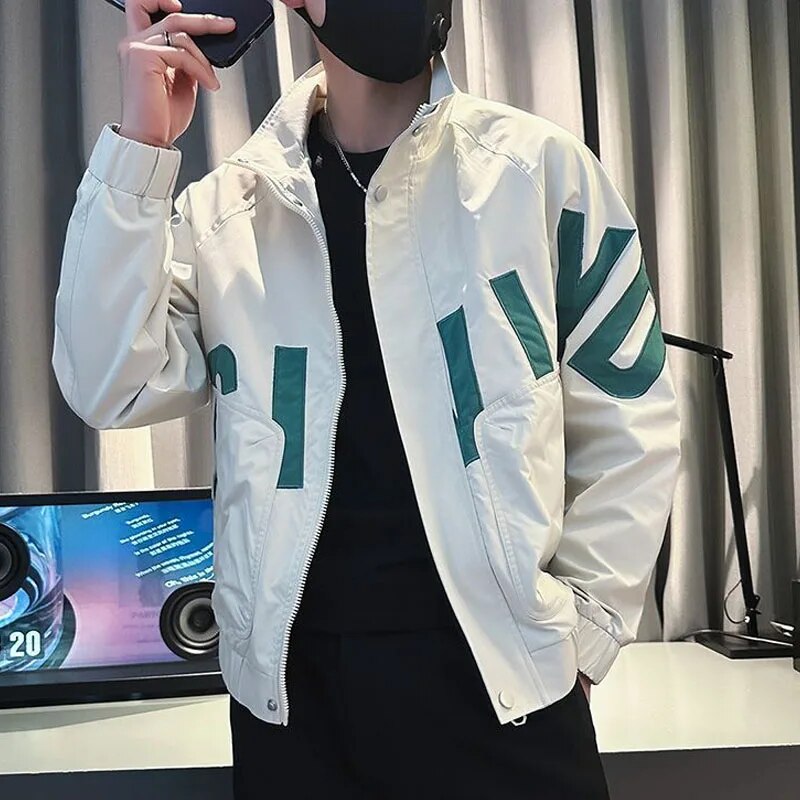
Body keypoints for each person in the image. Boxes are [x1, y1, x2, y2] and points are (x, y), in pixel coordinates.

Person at [51, 0, 682, 797]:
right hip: (295, 705)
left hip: (507, 696)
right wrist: (141, 149)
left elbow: (630, 417)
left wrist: (582, 639)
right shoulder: (228, 213)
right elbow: (109, 381)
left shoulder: (536, 172)